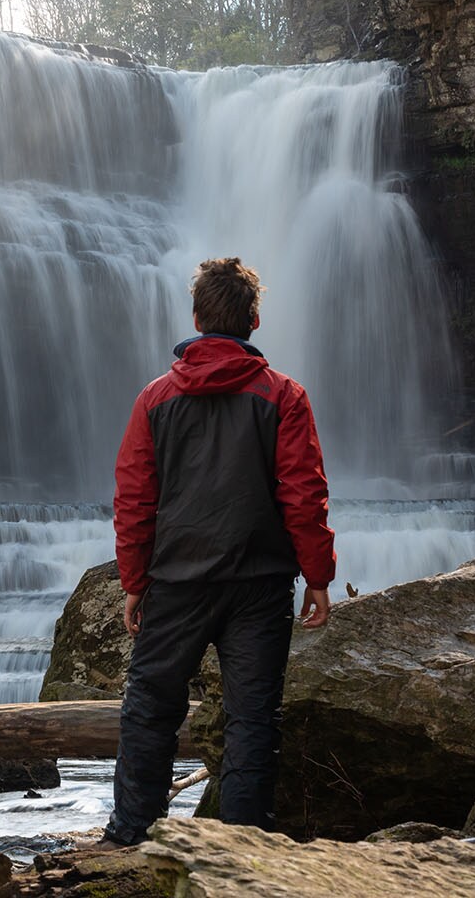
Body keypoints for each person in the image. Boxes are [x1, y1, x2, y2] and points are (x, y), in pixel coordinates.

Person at [101, 256, 336, 845]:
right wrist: (318, 575)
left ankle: (131, 837)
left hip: (178, 581)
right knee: (252, 720)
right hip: (260, 584)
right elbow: (303, 494)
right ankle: (245, 850)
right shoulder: (283, 395)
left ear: (198, 318)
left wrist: (134, 580)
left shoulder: (154, 400)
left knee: (151, 709)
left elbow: (134, 497)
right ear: (253, 321)